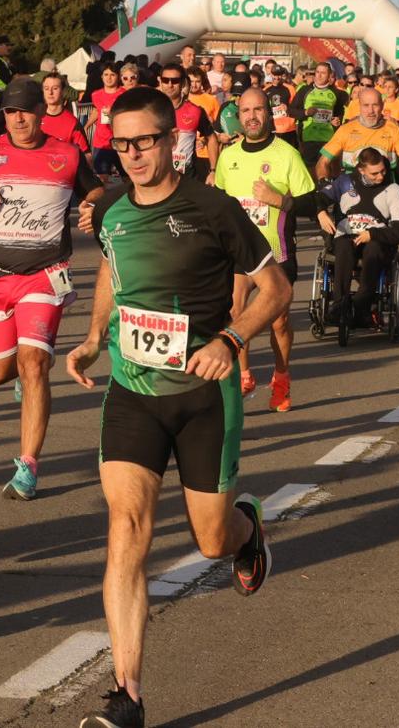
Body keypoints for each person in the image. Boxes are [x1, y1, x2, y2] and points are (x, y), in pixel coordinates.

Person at [65, 86, 285, 728]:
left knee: (211, 540)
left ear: (172, 141)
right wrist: (94, 337)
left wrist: (230, 340)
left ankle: (247, 530)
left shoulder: (214, 209)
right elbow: (113, 273)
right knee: (126, 528)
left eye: (145, 141)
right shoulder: (111, 209)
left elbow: (275, 289)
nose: (133, 155)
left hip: (202, 396)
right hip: (132, 392)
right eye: (122, 144)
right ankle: (126, 695)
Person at [0, 79, 101, 500]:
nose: (18, 119)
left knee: (33, 364)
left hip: (45, 275)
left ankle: (27, 467)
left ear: (41, 112)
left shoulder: (66, 153)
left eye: (25, 110)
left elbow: (95, 188)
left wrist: (93, 205)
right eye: (11, 112)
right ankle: (27, 372)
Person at [215, 89, 316, 411]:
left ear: (268, 114)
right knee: (235, 312)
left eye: (258, 110)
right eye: (246, 111)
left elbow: (312, 202)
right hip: (240, 253)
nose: (252, 117)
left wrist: (280, 201)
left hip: (276, 252)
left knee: (279, 322)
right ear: (238, 116)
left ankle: (282, 375)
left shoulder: (287, 154)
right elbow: (218, 205)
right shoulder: (228, 156)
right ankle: (245, 375)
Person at [318, 148, 399, 328]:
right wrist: (321, 212)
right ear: (361, 170)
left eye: (383, 171)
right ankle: (339, 305)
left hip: (377, 239)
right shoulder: (345, 182)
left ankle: (361, 305)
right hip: (347, 236)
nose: (380, 176)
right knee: (344, 247)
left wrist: (373, 234)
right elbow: (319, 198)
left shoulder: (392, 189)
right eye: (374, 173)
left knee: (373, 250)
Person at [317, 86, 399, 182]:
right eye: (366, 105)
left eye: (375, 105)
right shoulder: (345, 130)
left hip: (384, 184)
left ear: (382, 105)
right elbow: (322, 162)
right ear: (359, 106)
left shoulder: (394, 130)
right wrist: (324, 183)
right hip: (352, 186)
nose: (370, 111)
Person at [157, 62, 217, 181]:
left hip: (187, 177)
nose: (170, 85)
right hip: (158, 176)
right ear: (160, 81)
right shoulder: (151, 110)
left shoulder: (196, 111)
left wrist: (213, 171)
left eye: (175, 81)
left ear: (183, 83)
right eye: (165, 80)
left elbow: (212, 138)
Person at [289, 62, 348, 175]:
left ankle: (326, 186)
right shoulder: (305, 90)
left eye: (323, 73)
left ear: (329, 76)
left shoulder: (336, 93)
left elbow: (339, 113)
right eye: (317, 72)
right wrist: (306, 112)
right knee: (310, 170)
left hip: (328, 138)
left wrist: (337, 120)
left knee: (325, 169)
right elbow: (291, 111)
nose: (319, 75)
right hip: (308, 137)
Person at [90, 64, 128, 179]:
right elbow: (97, 111)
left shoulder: (124, 94)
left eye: (112, 74)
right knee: (102, 179)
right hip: (101, 142)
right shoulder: (95, 95)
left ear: (118, 77)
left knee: (128, 178)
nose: (109, 78)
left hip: (120, 141)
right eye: (106, 74)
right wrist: (87, 125)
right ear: (101, 77)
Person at [41, 72, 91, 152]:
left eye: (55, 88)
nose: (50, 92)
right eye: (46, 88)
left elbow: (86, 154)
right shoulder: (35, 119)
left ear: (63, 91)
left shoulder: (73, 123)